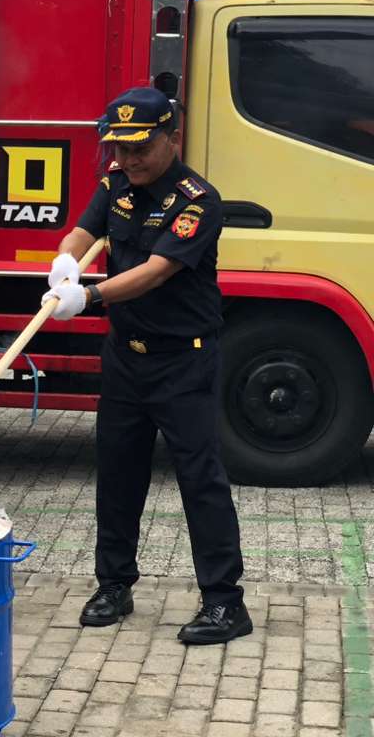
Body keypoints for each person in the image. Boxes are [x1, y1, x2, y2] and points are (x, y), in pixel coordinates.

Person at [43, 87, 251, 645]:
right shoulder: (114, 185)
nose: (129, 159)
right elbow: (84, 231)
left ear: (171, 138)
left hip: (183, 360)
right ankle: (114, 585)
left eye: (141, 147)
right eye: (121, 148)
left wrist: (91, 296)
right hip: (125, 358)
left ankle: (225, 601)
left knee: (200, 479)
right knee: (118, 473)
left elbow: (157, 271)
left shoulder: (197, 201)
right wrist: (65, 261)